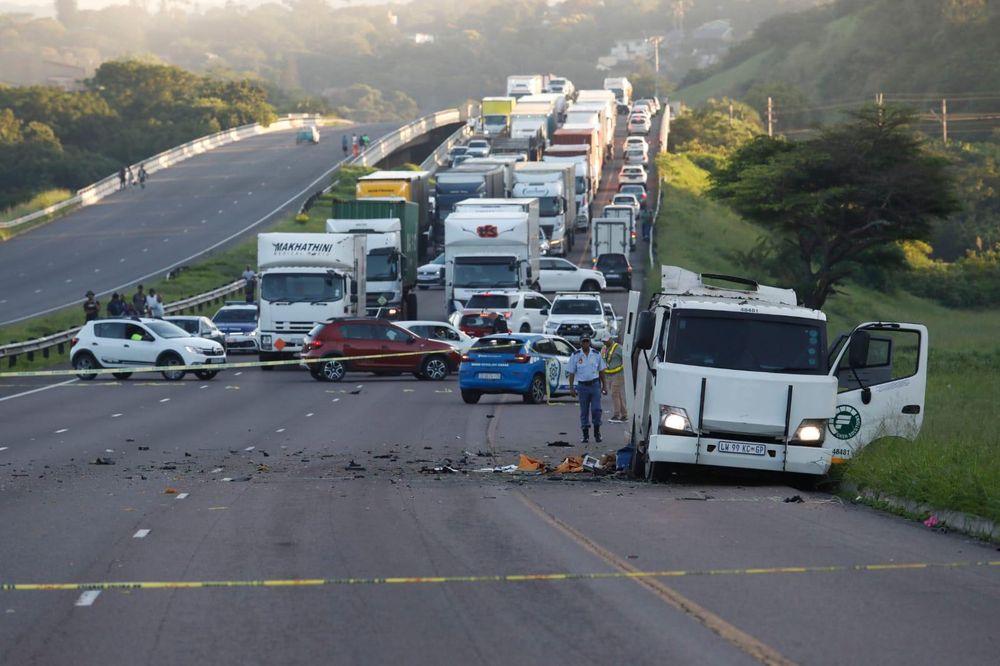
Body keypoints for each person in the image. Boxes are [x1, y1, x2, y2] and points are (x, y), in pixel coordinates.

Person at [567, 334, 608, 443]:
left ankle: (597, 432)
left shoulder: (596, 354)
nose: (585, 343)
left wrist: (604, 385)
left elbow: (601, 371)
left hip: (595, 385)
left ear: (590, 342)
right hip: (582, 386)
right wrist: (571, 388)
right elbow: (571, 372)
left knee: (596, 409)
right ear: (580, 343)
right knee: (584, 411)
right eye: (583, 341)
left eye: (587, 341)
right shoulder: (575, 355)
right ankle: (585, 435)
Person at [601, 331, 627, 423]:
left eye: (606, 340)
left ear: (611, 339)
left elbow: (625, 359)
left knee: (614, 393)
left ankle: (617, 414)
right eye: (603, 341)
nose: (605, 342)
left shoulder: (619, 348)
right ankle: (624, 414)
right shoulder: (604, 349)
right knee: (618, 394)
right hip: (609, 374)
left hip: (619, 374)